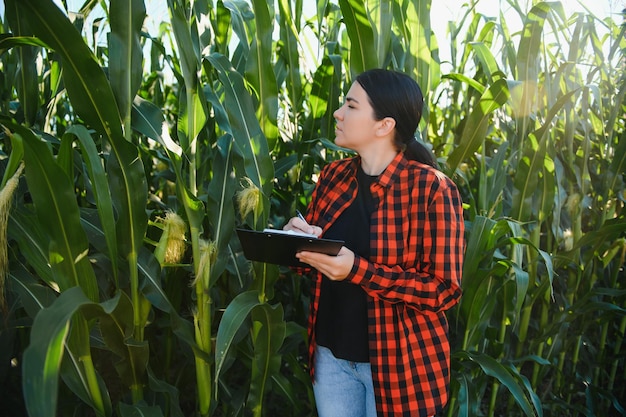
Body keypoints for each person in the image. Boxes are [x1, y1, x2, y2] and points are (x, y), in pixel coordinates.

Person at [284, 68, 465, 417]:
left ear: (384, 125)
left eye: (351, 106)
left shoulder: (431, 189)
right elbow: (309, 260)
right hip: (331, 360)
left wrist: (357, 270)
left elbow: (443, 290)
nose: (338, 113)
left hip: (401, 370)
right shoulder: (333, 177)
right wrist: (294, 240)